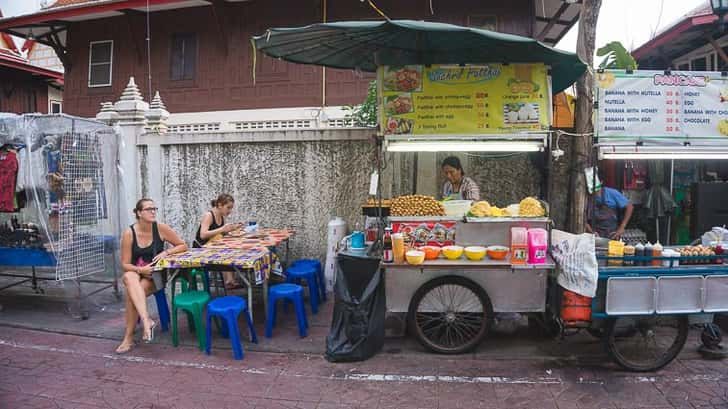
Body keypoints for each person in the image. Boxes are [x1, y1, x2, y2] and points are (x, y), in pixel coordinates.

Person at [116, 198, 187, 354]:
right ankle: (146, 321)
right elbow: (125, 264)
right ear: (139, 213)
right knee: (129, 276)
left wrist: (166, 252)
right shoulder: (129, 233)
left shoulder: (161, 228)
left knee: (131, 294)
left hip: (155, 277)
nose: (153, 211)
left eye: (154, 208)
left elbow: (183, 245)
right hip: (137, 272)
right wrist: (141, 270)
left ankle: (129, 338)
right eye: (149, 209)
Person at [194, 194, 243, 289]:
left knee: (233, 248)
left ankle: (230, 280)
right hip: (201, 249)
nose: (230, 211)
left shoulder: (221, 216)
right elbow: (203, 234)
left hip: (213, 246)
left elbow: (220, 234)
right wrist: (223, 229)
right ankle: (229, 281)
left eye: (231, 208)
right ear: (220, 205)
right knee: (226, 252)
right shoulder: (209, 215)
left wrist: (233, 228)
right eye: (228, 208)